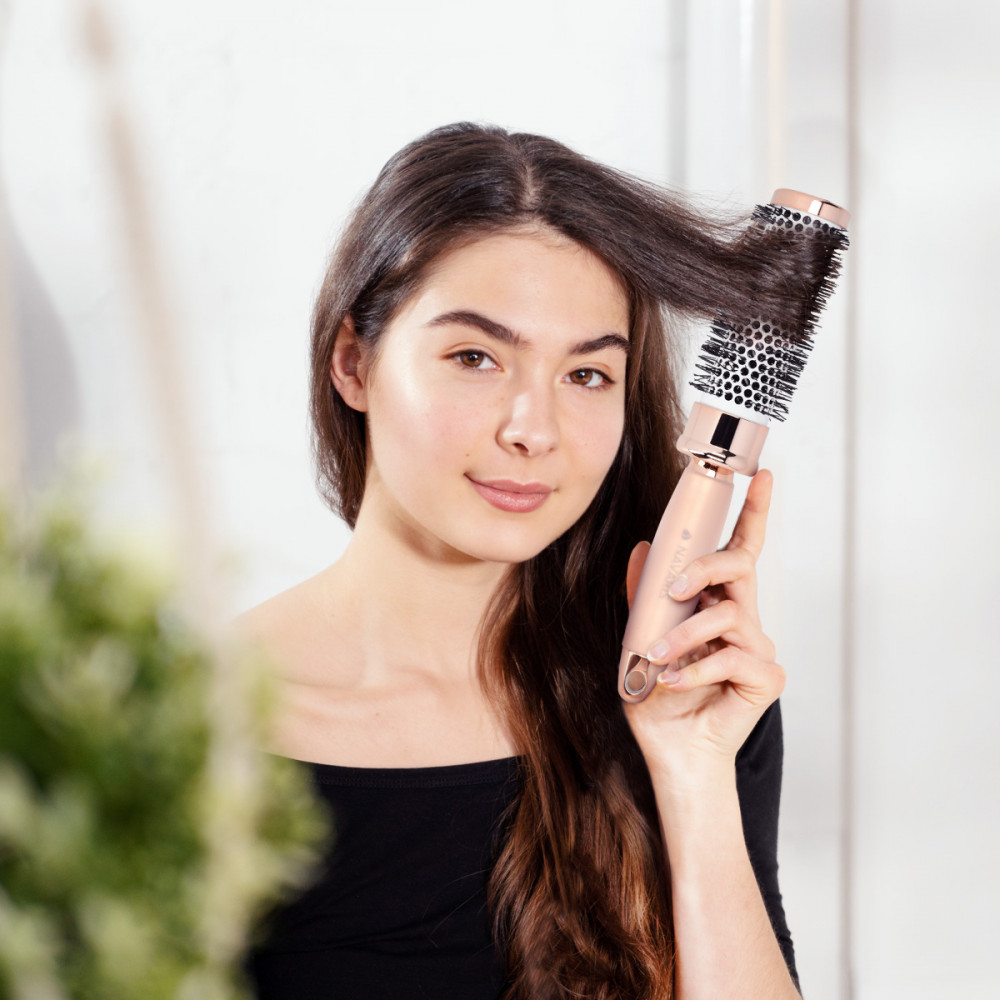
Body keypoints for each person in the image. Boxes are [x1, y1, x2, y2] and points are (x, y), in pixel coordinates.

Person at [241, 122, 802, 1000]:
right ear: (354, 363)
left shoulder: (688, 696)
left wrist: (691, 774)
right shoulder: (193, 724)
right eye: (476, 358)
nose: (533, 431)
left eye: (587, 376)